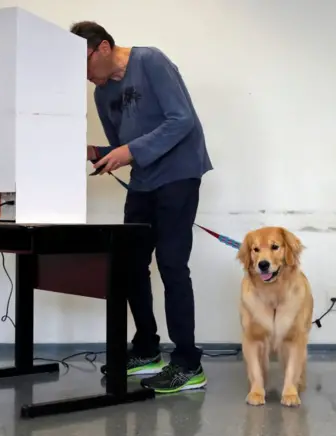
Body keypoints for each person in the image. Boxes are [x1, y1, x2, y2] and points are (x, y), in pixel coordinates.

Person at [70, 21, 213, 393]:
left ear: (102, 48)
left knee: (171, 263)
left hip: (180, 175)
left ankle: (187, 362)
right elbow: (125, 147)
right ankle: (147, 348)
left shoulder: (150, 61)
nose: (84, 77)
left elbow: (182, 120)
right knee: (131, 264)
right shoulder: (103, 96)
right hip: (145, 182)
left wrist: (127, 151)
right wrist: (97, 153)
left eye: (83, 64)